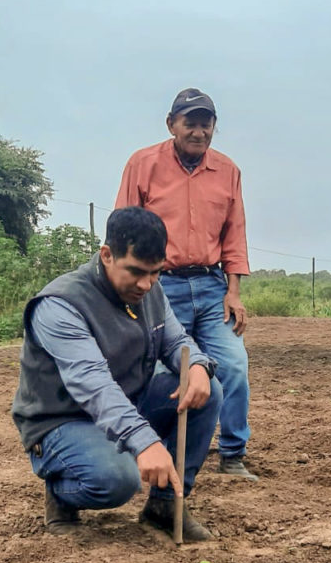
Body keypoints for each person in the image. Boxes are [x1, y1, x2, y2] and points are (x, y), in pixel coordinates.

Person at [12, 206, 222, 541]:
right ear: (107, 255)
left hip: (125, 402)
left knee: (207, 391)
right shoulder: (60, 304)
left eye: (155, 272)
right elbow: (94, 386)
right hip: (62, 420)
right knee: (117, 481)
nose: (146, 283)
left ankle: (165, 507)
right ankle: (61, 491)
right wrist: (145, 442)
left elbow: (176, 340)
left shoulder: (151, 288)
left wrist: (196, 364)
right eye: (136, 272)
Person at [115, 87, 258, 482]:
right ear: (171, 124)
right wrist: (132, 287)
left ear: (214, 127)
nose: (198, 131)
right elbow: (123, 226)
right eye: (189, 123)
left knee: (232, 364)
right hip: (161, 286)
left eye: (205, 124)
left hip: (212, 287)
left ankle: (232, 453)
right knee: (164, 371)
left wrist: (234, 291)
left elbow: (235, 233)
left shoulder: (228, 170)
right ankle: (151, 445)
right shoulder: (143, 164)